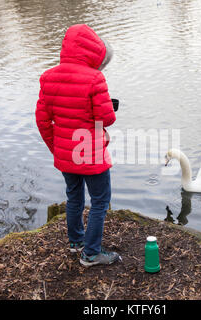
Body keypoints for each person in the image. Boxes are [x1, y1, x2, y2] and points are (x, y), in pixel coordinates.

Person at [35, 24, 120, 267]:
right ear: (93, 51)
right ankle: (91, 254)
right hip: (91, 154)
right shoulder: (95, 78)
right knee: (100, 200)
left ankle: (75, 243)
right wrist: (109, 108)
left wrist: (56, 147)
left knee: (74, 197)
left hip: (66, 154)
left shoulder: (48, 77)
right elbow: (106, 119)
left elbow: (42, 119)